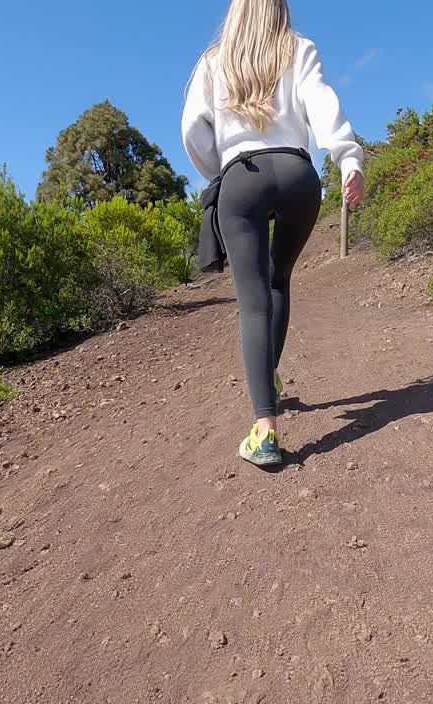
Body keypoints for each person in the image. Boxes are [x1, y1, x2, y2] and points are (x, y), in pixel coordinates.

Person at [182, 0, 364, 467]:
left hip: (241, 175)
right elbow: (322, 101)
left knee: (253, 300)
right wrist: (347, 157)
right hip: (299, 174)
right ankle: (272, 374)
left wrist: (219, 170)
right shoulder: (299, 48)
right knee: (279, 278)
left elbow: (192, 131)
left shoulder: (213, 61)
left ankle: (265, 430)